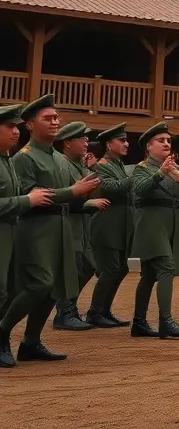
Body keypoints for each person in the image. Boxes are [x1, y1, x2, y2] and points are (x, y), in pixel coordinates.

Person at [0, 94, 102, 364]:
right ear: (30, 125)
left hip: (62, 225)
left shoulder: (59, 158)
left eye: (56, 117)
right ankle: (2, 332)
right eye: (48, 118)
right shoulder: (24, 158)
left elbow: (72, 197)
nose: (55, 121)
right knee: (39, 283)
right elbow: (29, 195)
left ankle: (31, 342)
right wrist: (73, 190)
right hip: (35, 228)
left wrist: (84, 191)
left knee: (54, 288)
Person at [1, 103, 57, 368]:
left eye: (16, 126)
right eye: (10, 126)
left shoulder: (6, 159)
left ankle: (23, 341)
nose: (16, 131)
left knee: (10, 291)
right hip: (12, 231)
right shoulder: (19, 157)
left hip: (12, 232)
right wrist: (27, 200)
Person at [130, 122, 179, 339]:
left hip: (171, 223)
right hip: (152, 223)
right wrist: (160, 173)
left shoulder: (177, 170)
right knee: (166, 267)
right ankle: (165, 321)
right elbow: (140, 191)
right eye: (161, 140)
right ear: (149, 146)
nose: (166, 143)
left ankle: (139, 323)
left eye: (168, 140)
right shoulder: (141, 168)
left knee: (149, 275)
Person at [87, 123, 134, 327]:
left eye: (126, 140)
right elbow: (109, 187)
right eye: (121, 140)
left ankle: (105, 310)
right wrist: (134, 178)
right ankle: (94, 312)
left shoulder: (118, 165)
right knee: (110, 269)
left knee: (120, 269)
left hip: (120, 227)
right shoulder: (101, 165)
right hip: (106, 227)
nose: (126, 144)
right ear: (108, 144)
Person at [51, 121, 97, 331]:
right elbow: (63, 196)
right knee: (71, 269)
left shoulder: (79, 164)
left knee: (88, 266)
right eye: (83, 139)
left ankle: (69, 307)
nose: (87, 143)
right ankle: (65, 311)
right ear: (68, 142)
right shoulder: (60, 162)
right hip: (68, 222)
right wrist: (89, 201)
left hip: (81, 223)